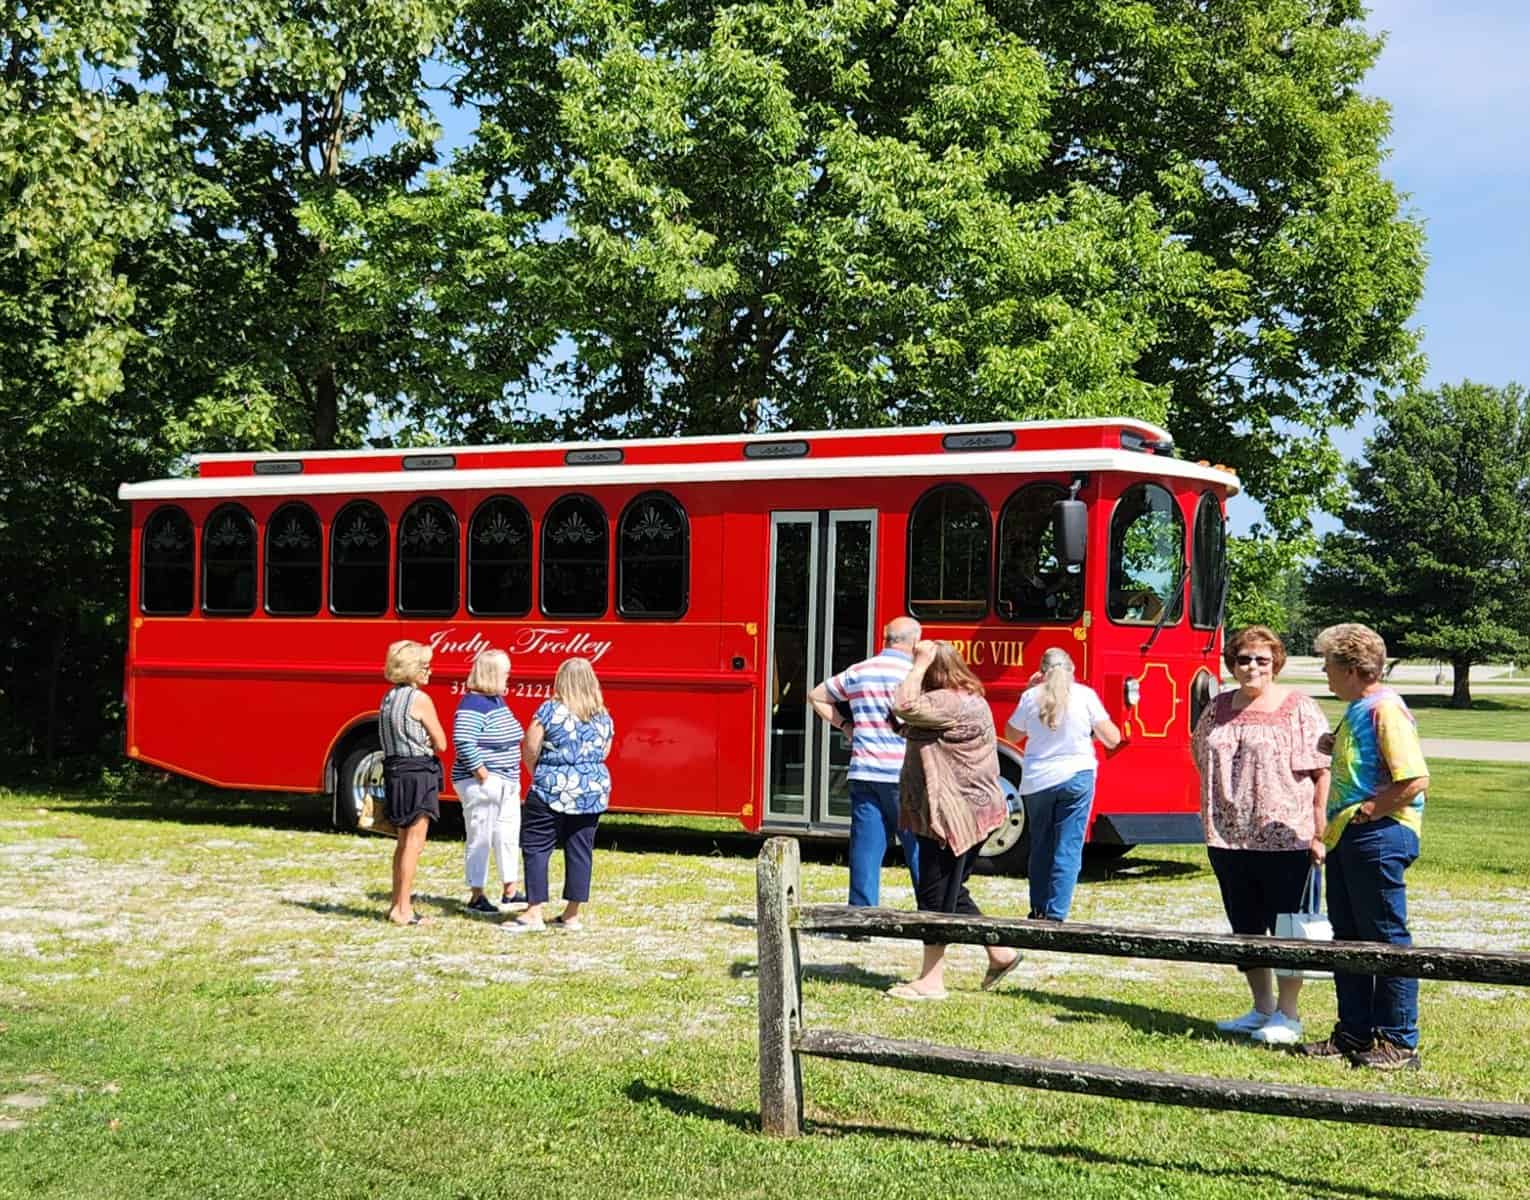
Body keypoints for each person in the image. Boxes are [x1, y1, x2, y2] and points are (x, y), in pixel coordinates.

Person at [1190, 626, 1331, 1046]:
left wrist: (1319, 831)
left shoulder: (1298, 708)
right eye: (1243, 659)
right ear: (1231, 664)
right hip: (1228, 837)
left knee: (1288, 926)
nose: (1252, 667)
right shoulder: (1215, 708)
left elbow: (1322, 771)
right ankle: (1261, 1008)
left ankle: (1289, 1015)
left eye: (1261, 660)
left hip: (1286, 837)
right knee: (1245, 925)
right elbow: (1201, 754)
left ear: (1276, 664)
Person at [1298, 623, 1429, 1071]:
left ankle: (1398, 1041)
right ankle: (1353, 1032)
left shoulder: (1385, 709)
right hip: (1349, 836)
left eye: (1328, 664)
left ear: (1353, 669)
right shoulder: (1358, 708)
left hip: (1380, 835)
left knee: (1387, 939)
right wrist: (1334, 744)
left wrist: (1373, 809)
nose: (1324, 672)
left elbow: (1414, 778)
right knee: (1350, 938)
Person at [884, 641, 1022, 1000]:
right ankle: (1001, 952)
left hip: (953, 817)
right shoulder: (966, 698)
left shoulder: (949, 701)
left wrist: (918, 664)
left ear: (934, 671)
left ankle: (931, 982)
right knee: (952, 892)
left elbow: (905, 705)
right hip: (970, 812)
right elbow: (911, 722)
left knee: (933, 896)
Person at [809, 616, 923, 907]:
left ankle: (860, 917)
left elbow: (817, 696)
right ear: (913, 642)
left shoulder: (860, 670)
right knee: (919, 847)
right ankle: (930, 911)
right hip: (903, 775)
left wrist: (846, 725)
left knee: (866, 849)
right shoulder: (915, 674)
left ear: (886, 640)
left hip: (864, 772)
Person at [1002, 646, 1121, 922]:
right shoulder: (1085, 695)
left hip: (1038, 780)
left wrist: (1028, 691)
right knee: (1068, 846)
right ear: (1072, 671)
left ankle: (1038, 909)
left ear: (1042, 673)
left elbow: (1011, 734)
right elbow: (1112, 738)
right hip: (1077, 774)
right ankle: (1056, 914)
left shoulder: (1031, 697)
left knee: (1041, 845)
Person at [506, 658, 615, 934]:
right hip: (592, 789)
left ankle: (533, 912)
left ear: (560, 680)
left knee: (537, 845)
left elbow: (530, 747)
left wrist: (539, 772)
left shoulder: (549, 710)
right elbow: (605, 752)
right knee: (581, 849)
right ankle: (571, 914)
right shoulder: (603, 715)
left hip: (551, 787)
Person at [452, 649, 526, 916]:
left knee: (507, 834)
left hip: (506, 780)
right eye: (506, 672)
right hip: (483, 782)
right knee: (480, 836)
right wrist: (482, 774)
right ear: (493, 674)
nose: (509, 676)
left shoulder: (496, 701)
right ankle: (476, 894)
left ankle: (510, 889)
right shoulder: (473, 704)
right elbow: (462, 741)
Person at [379, 639, 447, 926]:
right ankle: (403, 910)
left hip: (395, 771)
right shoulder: (420, 699)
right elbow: (441, 742)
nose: (429, 672)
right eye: (424, 667)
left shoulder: (389, 697)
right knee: (414, 844)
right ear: (411, 669)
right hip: (418, 772)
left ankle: (398, 903)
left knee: (402, 842)